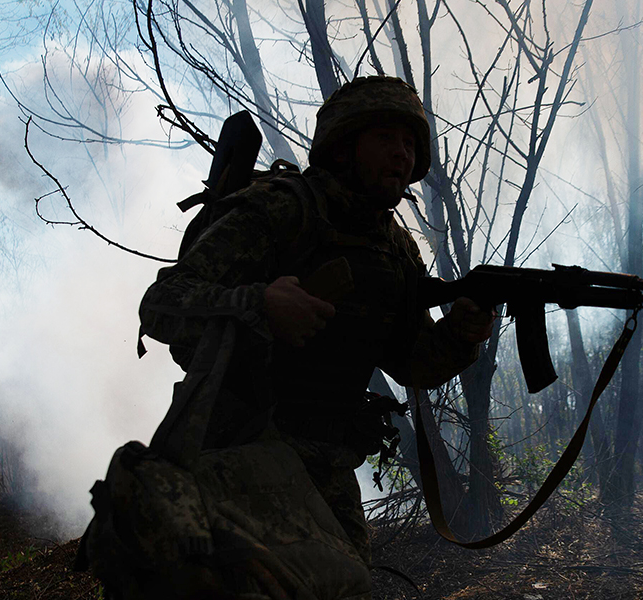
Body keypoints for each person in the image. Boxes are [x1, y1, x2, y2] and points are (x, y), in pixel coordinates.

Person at [138, 76, 495, 571]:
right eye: (386, 139)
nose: (402, 155)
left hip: (326, 464)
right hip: (241, 450)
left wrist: (460, 336)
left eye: (411, 144)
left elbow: (411, 362)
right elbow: (161, 304)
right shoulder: (285, 207)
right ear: (344, 147)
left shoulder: (394, 248)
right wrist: (259, 305)